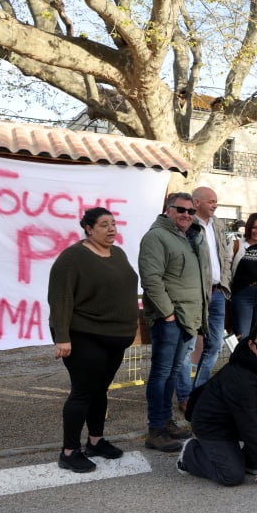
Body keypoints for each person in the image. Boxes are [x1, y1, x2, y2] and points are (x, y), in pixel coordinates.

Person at [48, 207, 139, 472]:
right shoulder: (74, 257)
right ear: (88, 228)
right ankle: (69, 451)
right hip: (85, 336)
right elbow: (60, 298)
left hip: (115, 338)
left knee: (101, 390)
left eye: (113, 224)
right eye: (103, 225)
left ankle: (96, 441)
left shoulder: (118, 253)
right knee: (83, 392)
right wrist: (62, 338)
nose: (111, 229)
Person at [177, 322, 257, 486]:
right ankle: (191, 453)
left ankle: (249, 462)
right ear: (251, 345)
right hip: (213, 426)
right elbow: (248, 422)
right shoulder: (240, 375)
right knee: (232, 477)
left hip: (239, 417)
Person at [139, 192, 210, 452]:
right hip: (170, 320)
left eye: (191, 211)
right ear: (168, 210)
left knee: (169, 374)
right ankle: (155, 430)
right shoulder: (156, 237)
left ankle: (165, 423)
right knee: (160, 374)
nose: (187, 215)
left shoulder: (189, 237)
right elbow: (151, 279)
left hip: (187, 319)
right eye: (181, 210)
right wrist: (168, 314)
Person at [191, 187, 233, 391]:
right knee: (188, 346)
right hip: (197, 294)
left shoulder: (217, 224)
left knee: (215, 344)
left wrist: (225, 281)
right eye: (210, 201)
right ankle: (185, 395)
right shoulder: (189, 225)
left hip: (218, 292)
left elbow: (225, 255)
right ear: (197, 202)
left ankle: (199, 388)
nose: (214, 204)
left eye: (216, 201)